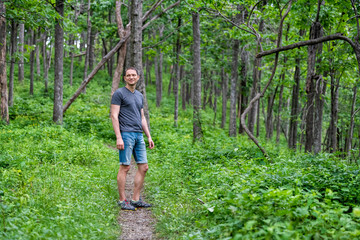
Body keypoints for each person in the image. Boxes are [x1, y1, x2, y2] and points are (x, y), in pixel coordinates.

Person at [110, 67, 154, 211]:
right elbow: (114, 115)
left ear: (138, 77)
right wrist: (118, 137)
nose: (131, 77)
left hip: (138, 135)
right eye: (128, 75)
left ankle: (135, 199)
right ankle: (122, 200)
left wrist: (148, 136)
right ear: (124, 78)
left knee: (144, 167)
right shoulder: (119, 93)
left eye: (133, 75)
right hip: (126, 134)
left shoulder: (140, 96)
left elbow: (142, 117)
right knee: (125, 166)